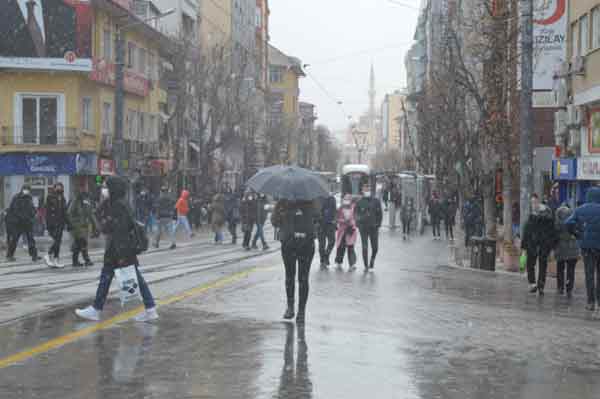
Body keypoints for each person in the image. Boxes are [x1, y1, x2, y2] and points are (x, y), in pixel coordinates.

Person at [76, 176, 158, 322]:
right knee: (108, 278)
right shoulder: (114, 203)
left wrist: (121, 255)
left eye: (106, 187)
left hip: (121, 251)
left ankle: (150, 309)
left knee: (132, 279)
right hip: (118, 250)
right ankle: (96, 308)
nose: (104, 189)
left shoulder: (119, 205)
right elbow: (103, 219)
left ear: (113, 189)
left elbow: (119, 230)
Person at [271, 199, 317, 323]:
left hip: (305, 244)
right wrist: (280, 213)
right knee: (292, 277)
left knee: (301, 278)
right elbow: (274, 221)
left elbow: (318, 218)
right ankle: (291, 307)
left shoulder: (310, 201)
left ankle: (300, 311)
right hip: (290, 244)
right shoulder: (283, 202)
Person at [566, 188, 600, 310]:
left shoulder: (580, 210)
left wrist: (577, 234)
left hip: (587, 247)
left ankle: (590, 302)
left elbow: (568, 223)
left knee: (589, 274)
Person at [521, 194, 558, 297]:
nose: (533, 204)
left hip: (539, 244)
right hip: (538, 244)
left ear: (538, 202)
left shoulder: (537, 217)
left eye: (534, 202)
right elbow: (527, 232)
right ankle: (537, 285)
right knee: (536, 265)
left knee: (538, 265)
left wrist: (552, 247)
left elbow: (527, 232)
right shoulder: (547, 216)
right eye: (532, 202)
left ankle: (536, 285)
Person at [5, 185, 40, 262]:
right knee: (14, 239)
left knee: (31, 239)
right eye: (26, 189)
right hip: (18, 223)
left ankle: (34, 255)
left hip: (27, 222)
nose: (27, 191)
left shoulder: (29, 198)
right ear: (22, 189)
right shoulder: (16, 197)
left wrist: (34, 213)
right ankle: (9, 255)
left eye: (28, 189)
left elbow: (32, 208)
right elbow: (15, 210)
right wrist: (24, 217)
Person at [67, 185, 97, 267]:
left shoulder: (86, 201)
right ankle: (86, 260)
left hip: (84, 226)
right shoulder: (75, 201)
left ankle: (75, 261)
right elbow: (69, 214)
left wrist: (96, 226)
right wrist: (74, 224)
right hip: (77, 227)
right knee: (82, 243)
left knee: (79, 244)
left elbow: (90, 213)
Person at [354, 184, 383, 271]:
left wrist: (378, 224)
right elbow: (355, 214)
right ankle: (366, 265)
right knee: (365, 247)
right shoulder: (359, 202)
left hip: (374, 227)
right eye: (365, 189)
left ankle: (372, 259)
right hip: (363, 228)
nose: (367, 191)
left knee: (375, 247)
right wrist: (358, 223)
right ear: (362, 191)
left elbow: (380, 214)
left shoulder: (376, 201)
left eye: (368, 189)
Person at [555, 204, 579, 298]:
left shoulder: (557, 223)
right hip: (572, 248)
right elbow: (578, 233)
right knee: (570, 270)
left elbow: (555, 234)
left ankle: (560, 287)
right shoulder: (574, 221)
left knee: (560, 268)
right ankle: (569, 288)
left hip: (560, 247)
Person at [45, 182, 67, 268]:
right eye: (57, 187)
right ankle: (48, 255)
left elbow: (64, 212)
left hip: (60, 223)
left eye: (60, 187)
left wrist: (68, 223)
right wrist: (49, 224)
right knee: (57, 241)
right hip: (53, 223)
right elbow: (48, 212)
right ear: (54, 188)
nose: (59, 189)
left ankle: (56, 260)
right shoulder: (50, 197)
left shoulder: (63, 198)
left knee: (58, 242)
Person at [335, 195, 358, 270]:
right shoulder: (340, 208)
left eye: (348, 199)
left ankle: (352, 264)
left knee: (350, 247)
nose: (346, 200)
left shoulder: (354, 208)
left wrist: (352, 222)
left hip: (350, 230)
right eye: (345, 199)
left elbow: (356, 217)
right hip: (342, 230)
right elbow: (337, 218)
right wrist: (342, 221)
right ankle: (338, 262)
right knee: (340, 247)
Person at [317, 193, 337, 268]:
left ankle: (326, 256)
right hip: (320, 224)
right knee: (322, 244)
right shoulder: (318, 199)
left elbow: (334, 211)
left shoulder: (332, 199)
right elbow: (316, 212)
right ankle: (323, 260)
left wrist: (335, 220)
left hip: (330, 224)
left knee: (332, 241)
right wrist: (318, 219)